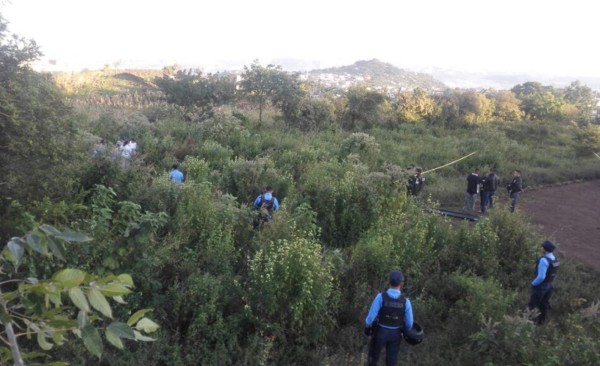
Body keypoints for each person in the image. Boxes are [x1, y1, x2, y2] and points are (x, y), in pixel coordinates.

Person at [365, 270, 414, 366]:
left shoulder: (380, 297)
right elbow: (409, 324)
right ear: (401, 284)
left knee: (372, 360)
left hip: (380, 333)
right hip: (395, 335)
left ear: (389, 281)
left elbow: (370, 319)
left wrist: (367, 327)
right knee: (391, 362)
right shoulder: (406, 302)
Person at [528, 240, 560, 325]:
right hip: (549, 286)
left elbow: (541, 277)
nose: (541, 248)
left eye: (542, 247)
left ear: (545, 249)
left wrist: (533, 283)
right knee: (544, 306)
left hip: (541, 286)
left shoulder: (543, 260)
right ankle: (540, 323)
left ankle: (527, 323)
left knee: (532, 305)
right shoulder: (555, 259)